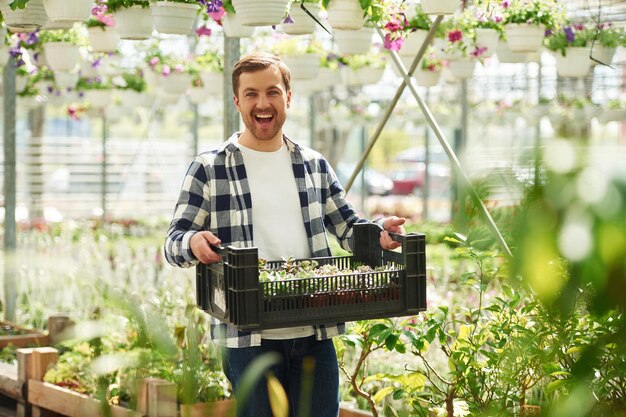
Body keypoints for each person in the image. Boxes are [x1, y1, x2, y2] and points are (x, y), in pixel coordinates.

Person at [164, 52, 406, 417]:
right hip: (247, 340)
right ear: (237, 101)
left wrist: (379, 236)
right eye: (251, 94)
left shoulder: (313, 165)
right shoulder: (210, 168)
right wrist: (193, 243)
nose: (263, 104)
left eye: (273, 92)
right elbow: (173, 241)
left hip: (314, 335)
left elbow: (347, 226)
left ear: (288, 97)